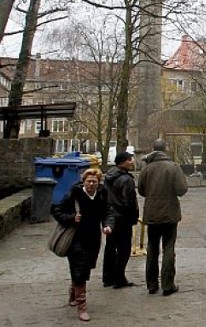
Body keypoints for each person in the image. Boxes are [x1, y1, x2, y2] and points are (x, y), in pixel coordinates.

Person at [52, 168, 114, 322]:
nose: (91, 184)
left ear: (98, 182)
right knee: (79, 267)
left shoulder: (102, 193)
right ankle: (82, 306)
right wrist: (72, 218)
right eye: (88, 181)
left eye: (94, 181)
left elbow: (108, 211)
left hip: (93, 237)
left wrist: (107, 225)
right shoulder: (75, 192)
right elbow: (56, 210)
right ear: (83, 181)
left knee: (86, 267)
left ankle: (74, 290)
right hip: (76, 237)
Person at [138, 138, 188, 296]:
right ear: (165, 149)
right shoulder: (174, 167)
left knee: (152, 248)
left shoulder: (147, 169)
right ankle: (167, 284)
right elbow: (181, 190)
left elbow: (141, 190)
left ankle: (152, 284)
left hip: (152, 213)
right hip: (170, 213)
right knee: (168, 247)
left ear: (153, 148)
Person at [102, 151, 139, 289]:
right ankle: (119, 278)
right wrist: (133, 216)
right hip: (123, 218)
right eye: (130, 160)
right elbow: (128, 201)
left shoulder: (109, 176)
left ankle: (108, 278)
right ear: (122, 162)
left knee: (110, 247)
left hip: (110, 217)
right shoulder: (126, 179)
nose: (132, 162)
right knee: (124, 249)